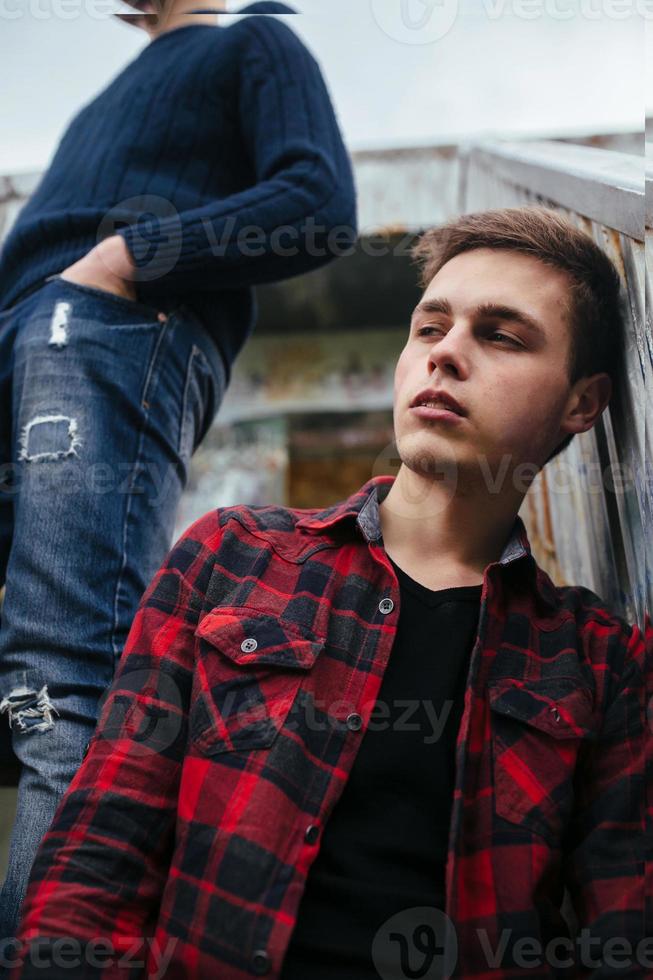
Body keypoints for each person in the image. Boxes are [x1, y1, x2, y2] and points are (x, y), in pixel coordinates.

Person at [8, 207, 649, 979]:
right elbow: (99, 852)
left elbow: (625, 936)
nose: (444, 355)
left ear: (583, 403)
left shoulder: (600, 661)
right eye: (429, 328)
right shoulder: (229, 555)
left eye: (500, 335)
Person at [0, 0, 357, 941]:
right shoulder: (97, 103)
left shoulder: (253, 40)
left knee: (63, 680)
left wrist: (127, 258)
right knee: (33, 691)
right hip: (30, 336)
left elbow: (317, 201)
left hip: (106, 328)